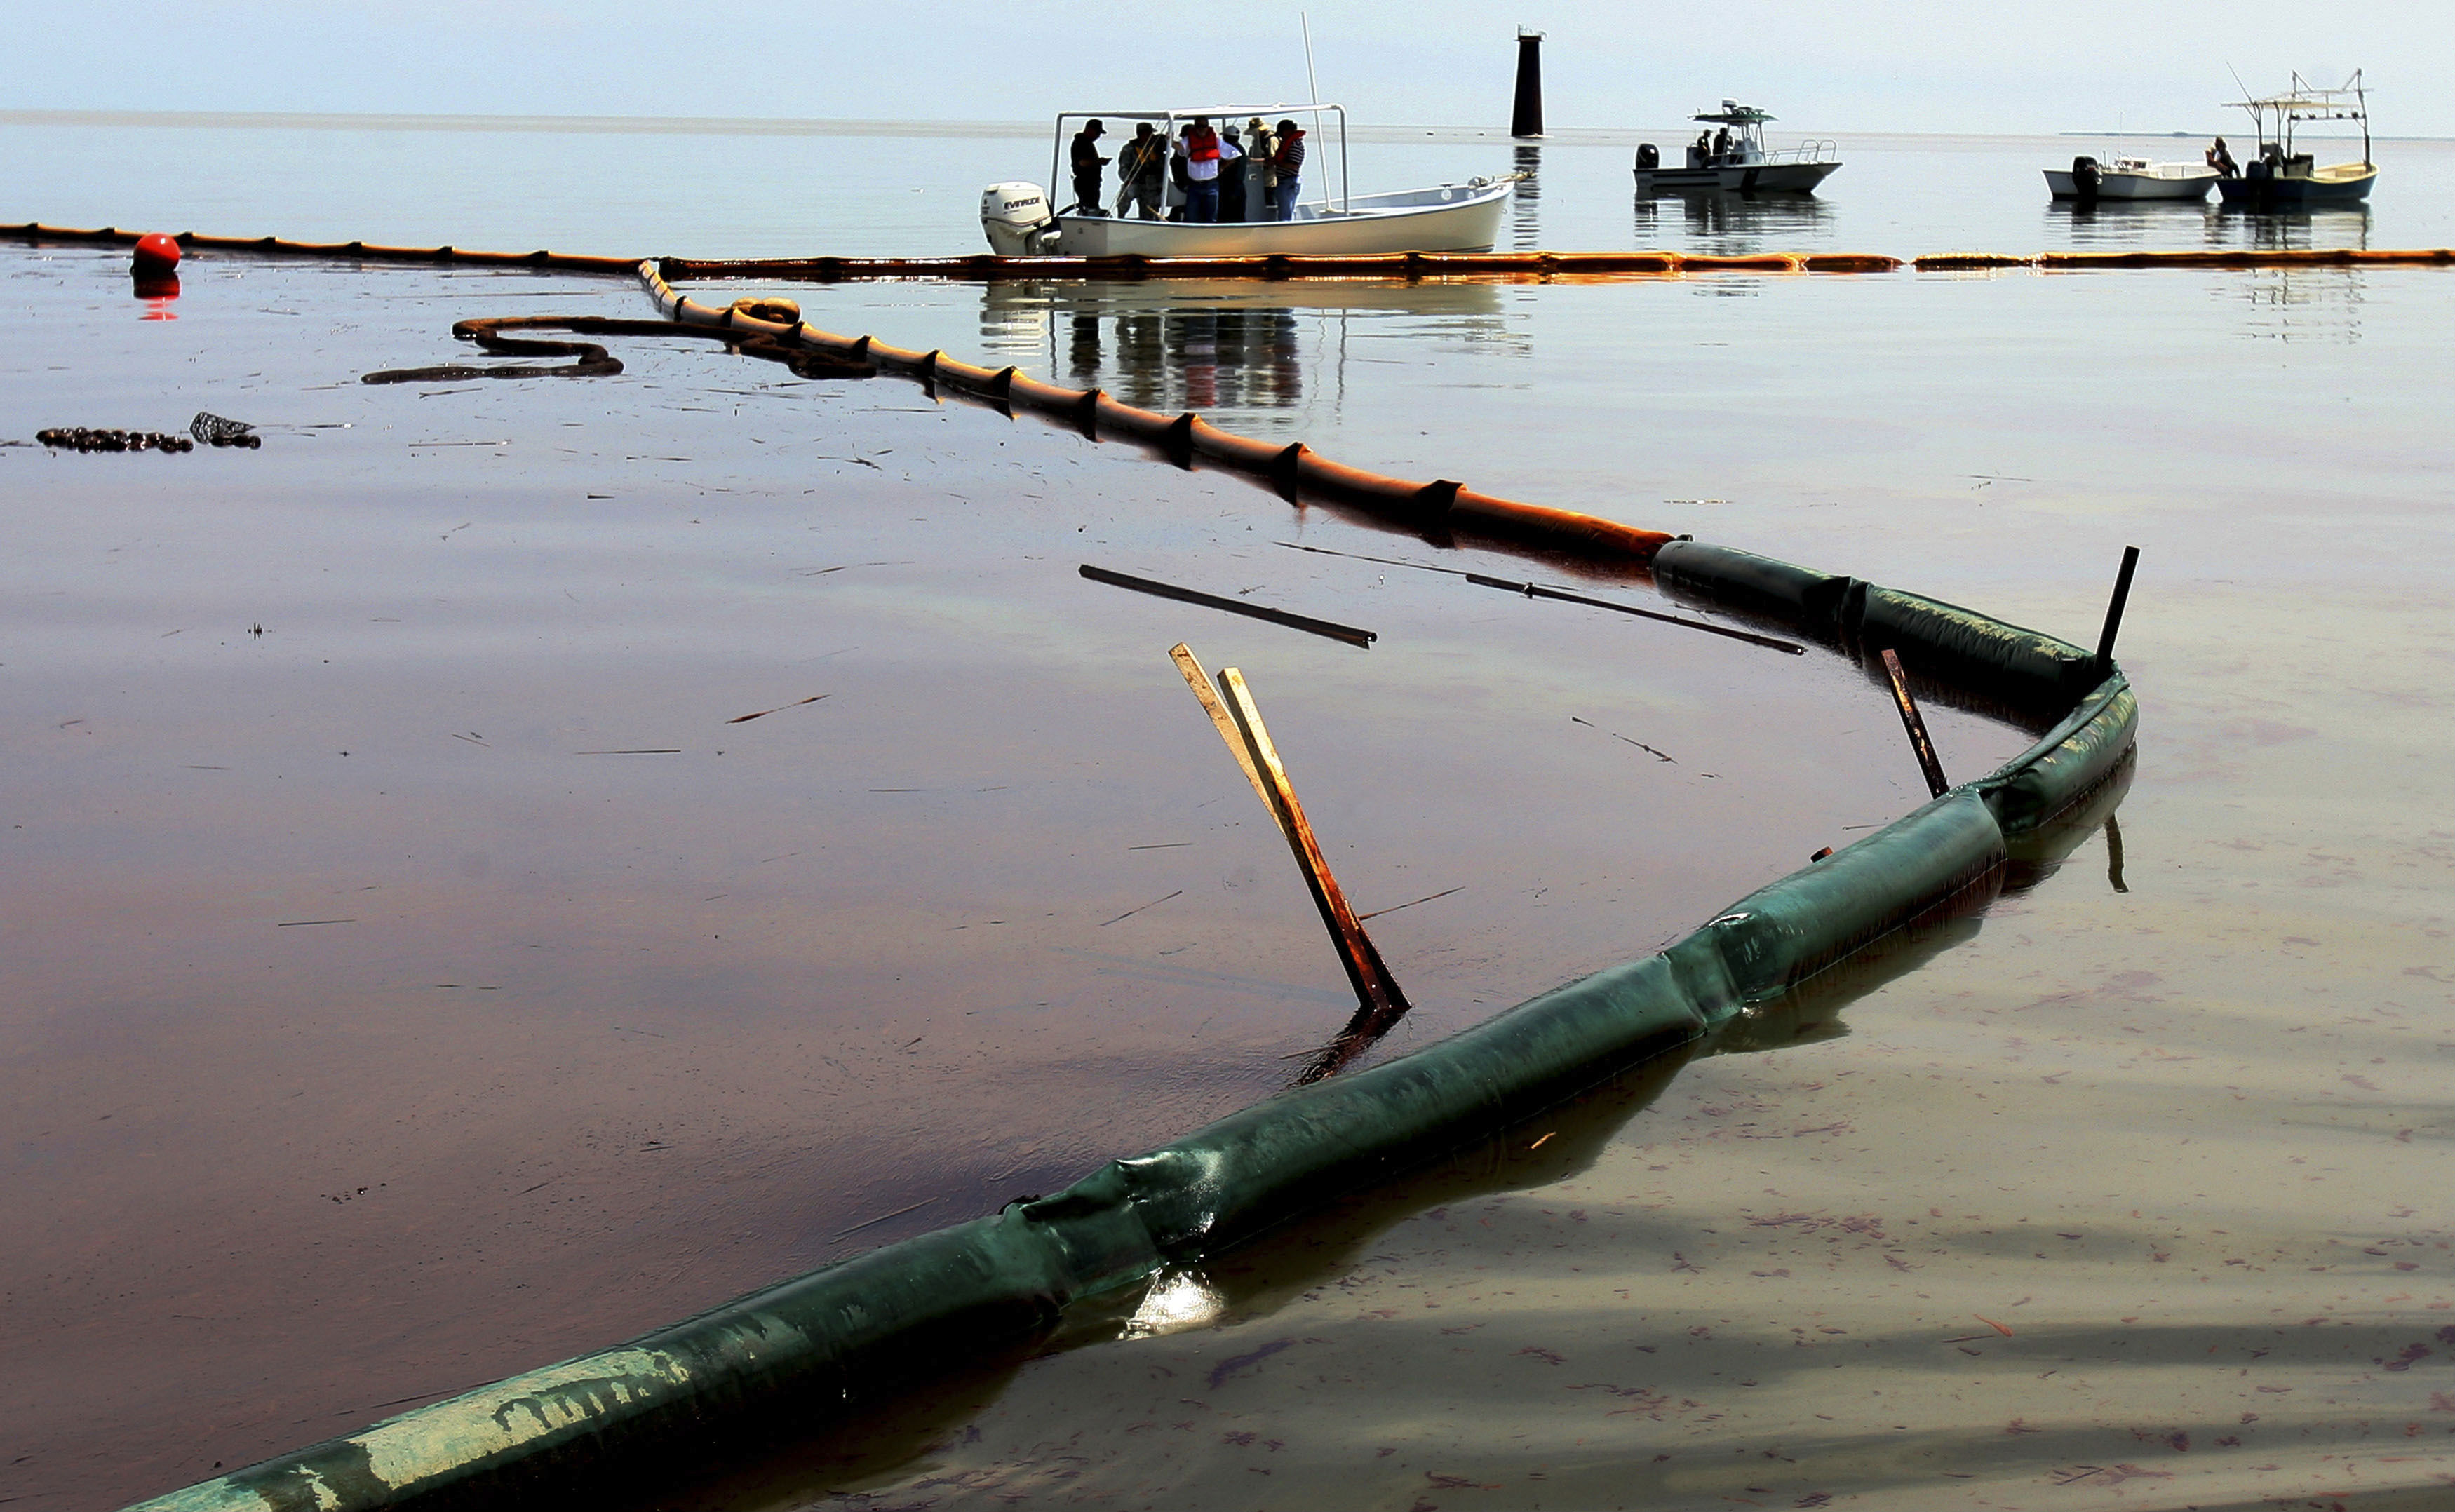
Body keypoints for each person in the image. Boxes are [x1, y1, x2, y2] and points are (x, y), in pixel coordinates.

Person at [1116, 121, 1166, 218]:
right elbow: (1123, 169)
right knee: (1124, 199)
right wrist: (1129, 181)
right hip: (1134, 182)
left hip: (1152, 186)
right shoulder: (1129, 149)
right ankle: (1120, 219)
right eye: (1149, 133)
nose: (1152, 136)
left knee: (1149, 211)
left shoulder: (1156, 147)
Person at [1183, 116, 1222, 223]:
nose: (1202, 129)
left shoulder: (1216, 140)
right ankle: (1189, 236)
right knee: (1191, 216)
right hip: (1194, 185)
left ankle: (1210, 236)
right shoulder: (1188, 140)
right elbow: (1180, 148)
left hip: (1211, 185)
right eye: (1199, 126)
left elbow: (1234, 154)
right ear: (1195, 127)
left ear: (1208, 127)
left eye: (1204, 126)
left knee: (1211, 217)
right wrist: (1170, 141)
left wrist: (1222, 167)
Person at [1069, 119, 1109, 214]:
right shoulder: (1080, 143)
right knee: (1090, 208)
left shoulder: (1087, 143)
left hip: (1091, 183)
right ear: (1090, 130)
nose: (1098, 136)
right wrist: (1099, 161)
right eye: (1097, 133)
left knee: (1090, 206)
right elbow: (1082, 162)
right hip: (1085, 183)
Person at [1271, 120, 1305, 221]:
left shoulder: (1295, 145)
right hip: (1285, 182)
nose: (1281, 136)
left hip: (1289, 182)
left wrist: (1276, 163)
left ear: (1287, 131)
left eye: (1281, 133)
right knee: (1285, 211)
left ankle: (1285, 232)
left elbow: (1294, 166)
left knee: (1285, 214)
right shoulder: (1289, 143)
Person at [1244, 117, 1275, 220]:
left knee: (1270, 205)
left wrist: (1253, 161)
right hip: (1258, 181)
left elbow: (1273, 161)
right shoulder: (1256, 142)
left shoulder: (1271, 140)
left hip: (1270, 181)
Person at [1216, 127, 1245, 221]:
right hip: (1239, 187)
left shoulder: (1230, 150)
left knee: (1225, 216)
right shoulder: (1241, 149)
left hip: (1228, 188)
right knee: (1239, 215)